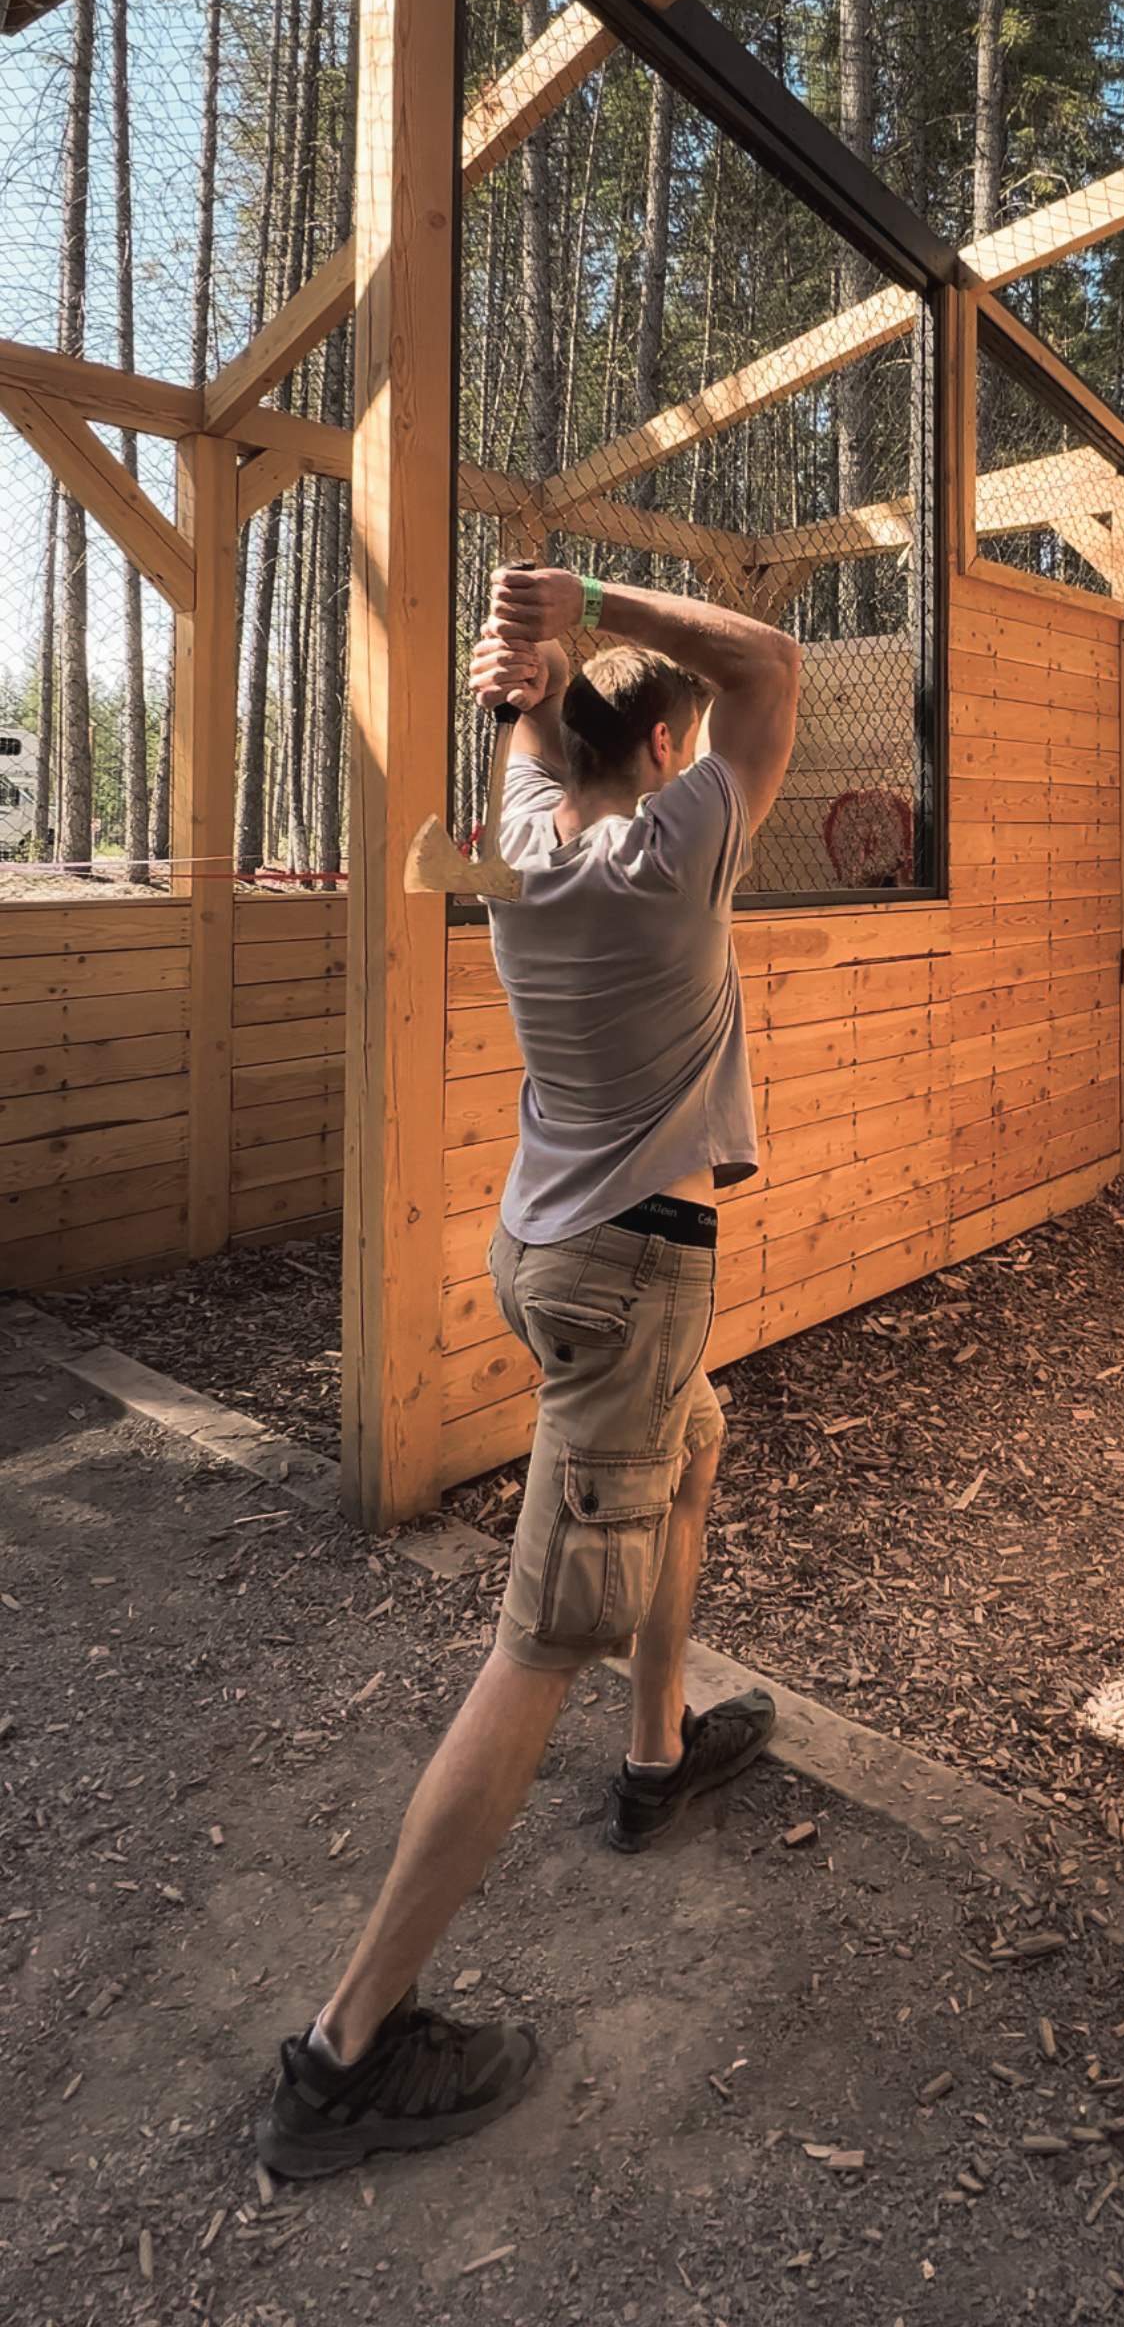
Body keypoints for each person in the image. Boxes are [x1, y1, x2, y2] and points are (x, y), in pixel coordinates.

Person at [256, 567, 801, 2180]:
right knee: (539, 1632)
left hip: (546, 1252)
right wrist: (587, 605)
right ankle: (345, 2048)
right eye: (690, 725)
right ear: (672, 739)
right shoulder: (664, 851)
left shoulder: (527, 831)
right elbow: (767, 659)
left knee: (690, 1451)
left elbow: (532, 720)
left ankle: (655, 1762)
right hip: (631, 1274)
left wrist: (526, 662)